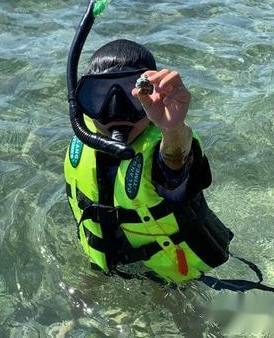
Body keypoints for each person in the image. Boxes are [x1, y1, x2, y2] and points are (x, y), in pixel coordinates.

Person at [64, 38, 234, 284]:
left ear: (153, 95)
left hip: (170, 279)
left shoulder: (161, 150)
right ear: (83, 100)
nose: (116, 109)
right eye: (100, 95)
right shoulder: (83, 143)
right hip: (106, 261)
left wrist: (172, 128)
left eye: (133, 96)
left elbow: (174, 163)